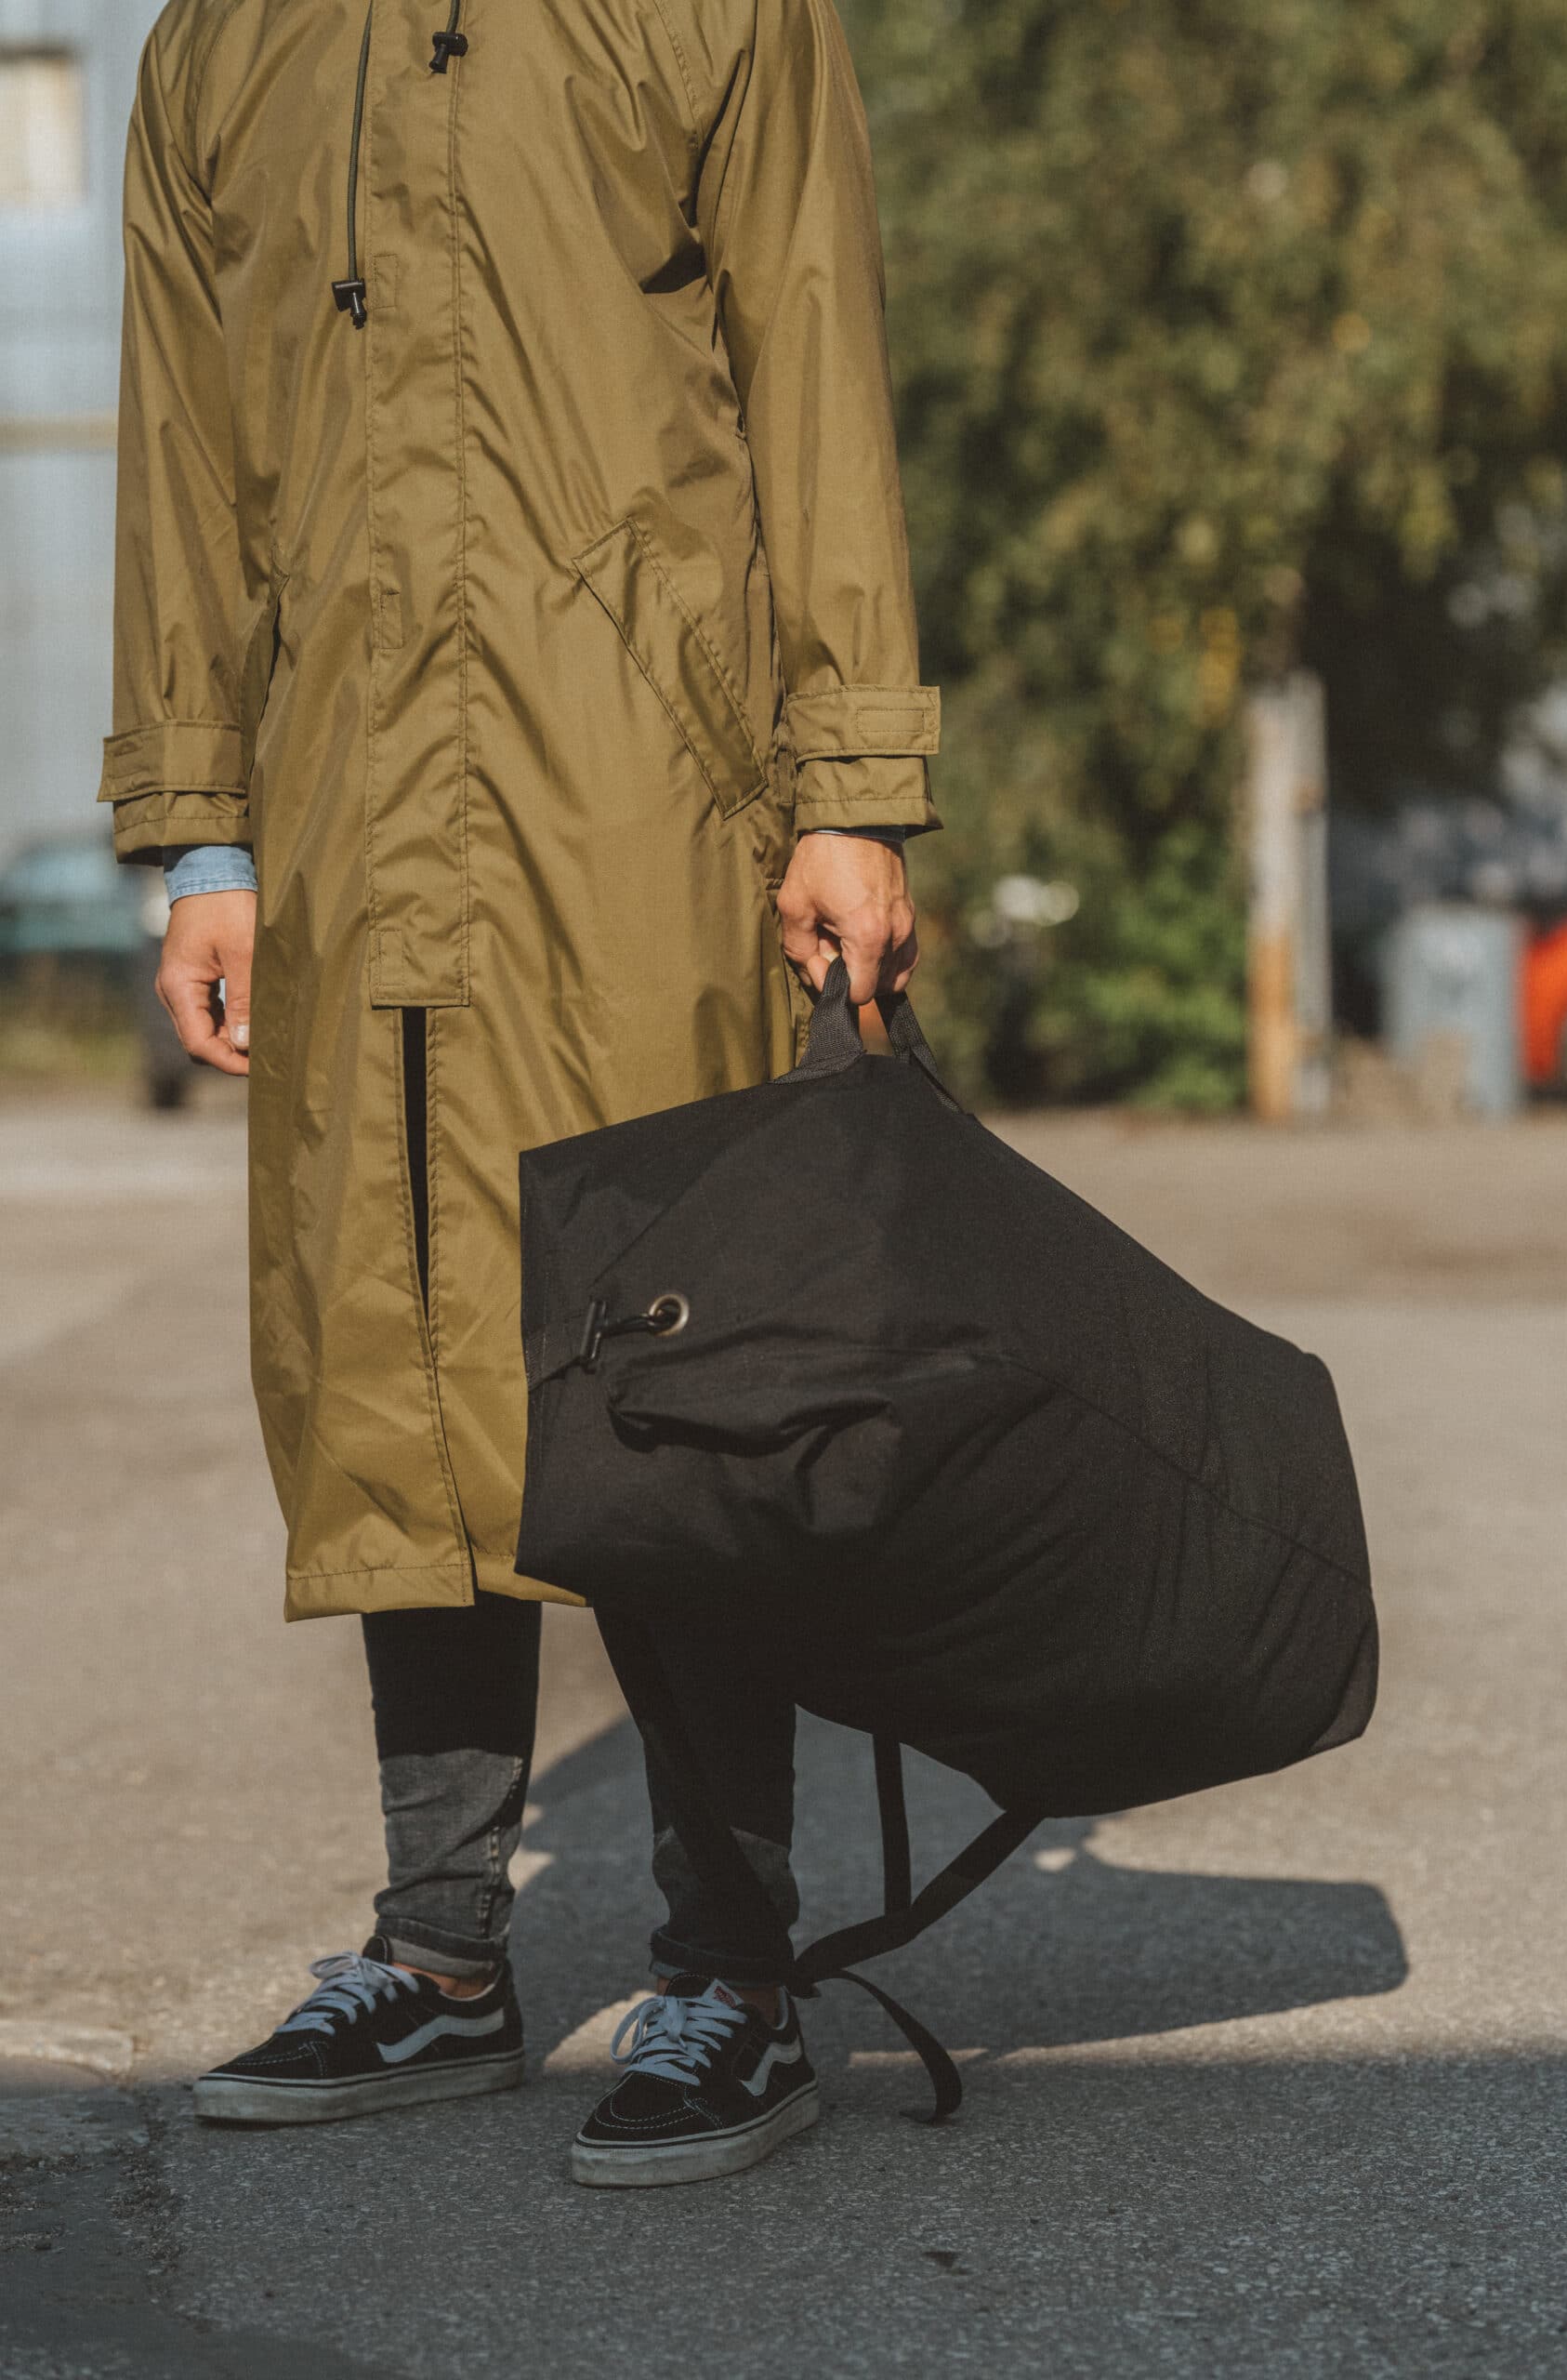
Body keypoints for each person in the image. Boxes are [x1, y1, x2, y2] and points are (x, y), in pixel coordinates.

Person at [102, 0, 938, 2188]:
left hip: (640, 789)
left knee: (667, 1362)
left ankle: (733, 1962)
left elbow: (815, 354)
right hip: (348, 808)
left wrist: (851, 781)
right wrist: (205, 831)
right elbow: (184, 439)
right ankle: (443, 1947)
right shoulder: (225, 42)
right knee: (394, 1345)